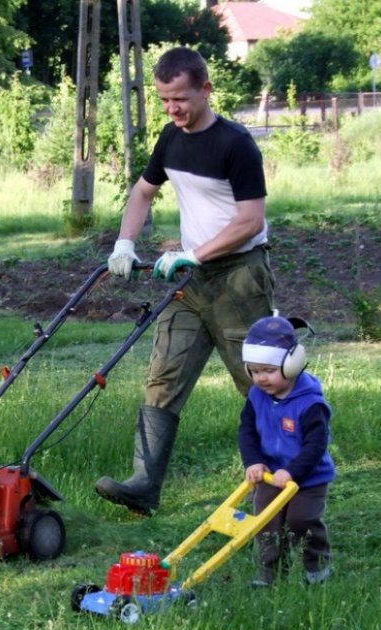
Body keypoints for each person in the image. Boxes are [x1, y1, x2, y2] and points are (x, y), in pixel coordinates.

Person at [96, 46, 276, 516]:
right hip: (190, 280)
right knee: (163, 376)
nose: (173, 109)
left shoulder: (235, 143)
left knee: (259, 382)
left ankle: (277, 487)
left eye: (180, 99)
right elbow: (142, 192)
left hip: (239, 277)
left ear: (205, 89)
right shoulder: (169, 140)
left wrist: (191, 253)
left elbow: (250, 221)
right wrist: (124, 243)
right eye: (164, 100)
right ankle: (143, 485)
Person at [238, 314, 335, 587]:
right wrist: (254, 461)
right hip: (269, 474)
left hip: (308, 477)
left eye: (268, 371)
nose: (261, 379)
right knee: (266, 524)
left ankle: (317, 569)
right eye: (255, 371)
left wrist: (292, 472)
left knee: (300, 521)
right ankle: (271, 574)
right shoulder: (256, 397)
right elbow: (247, 432)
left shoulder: (310, 404)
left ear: (292, 364)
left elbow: (315, 446)